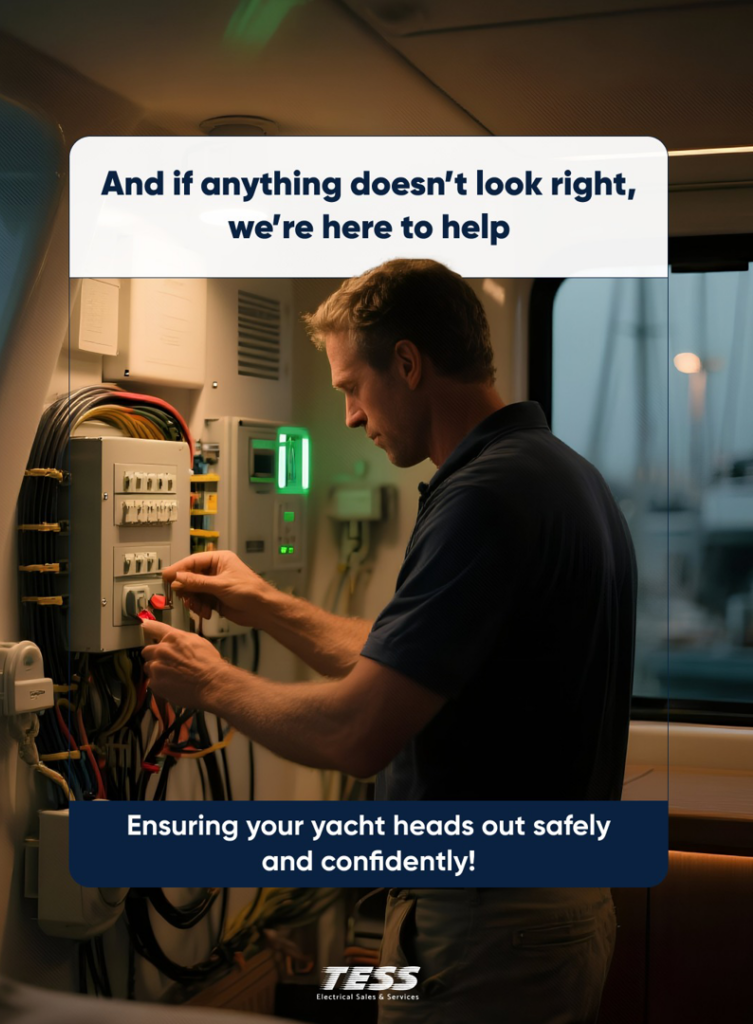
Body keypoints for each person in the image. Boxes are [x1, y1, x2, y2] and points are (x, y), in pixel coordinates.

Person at [141, 258, 636, 1022]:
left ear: (407, 363)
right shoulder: (557, 473)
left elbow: (358, 731)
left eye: (349, 386)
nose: (346, 415)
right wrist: (267, 604)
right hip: (536, 915)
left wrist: (209, 682)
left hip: (489, 923)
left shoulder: (485, 497)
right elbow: (414, 658)